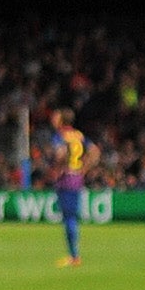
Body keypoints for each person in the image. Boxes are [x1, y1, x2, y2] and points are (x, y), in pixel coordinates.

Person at [49, 109, 90, 268]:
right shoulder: (78, 135)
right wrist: (83, 169)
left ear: (61, 120)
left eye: (56, 116)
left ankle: (74, 256)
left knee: (69, 218)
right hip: (77, 178)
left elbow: (60, 154)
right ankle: (73, 255)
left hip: (66, 179)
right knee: (71, 216)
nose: (53, 119)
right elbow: (94, 151)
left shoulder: (60, 136)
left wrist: (59, 169)